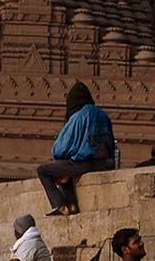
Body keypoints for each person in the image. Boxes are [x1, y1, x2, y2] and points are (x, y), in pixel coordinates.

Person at [38, 81, 117, 216]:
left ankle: (62, 206)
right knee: (65, 168)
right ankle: (73, 206)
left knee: (45, 170)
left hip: (85, 163)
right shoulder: (103, 115)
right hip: (104, 163)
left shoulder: (79, 116)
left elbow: (60, 149)